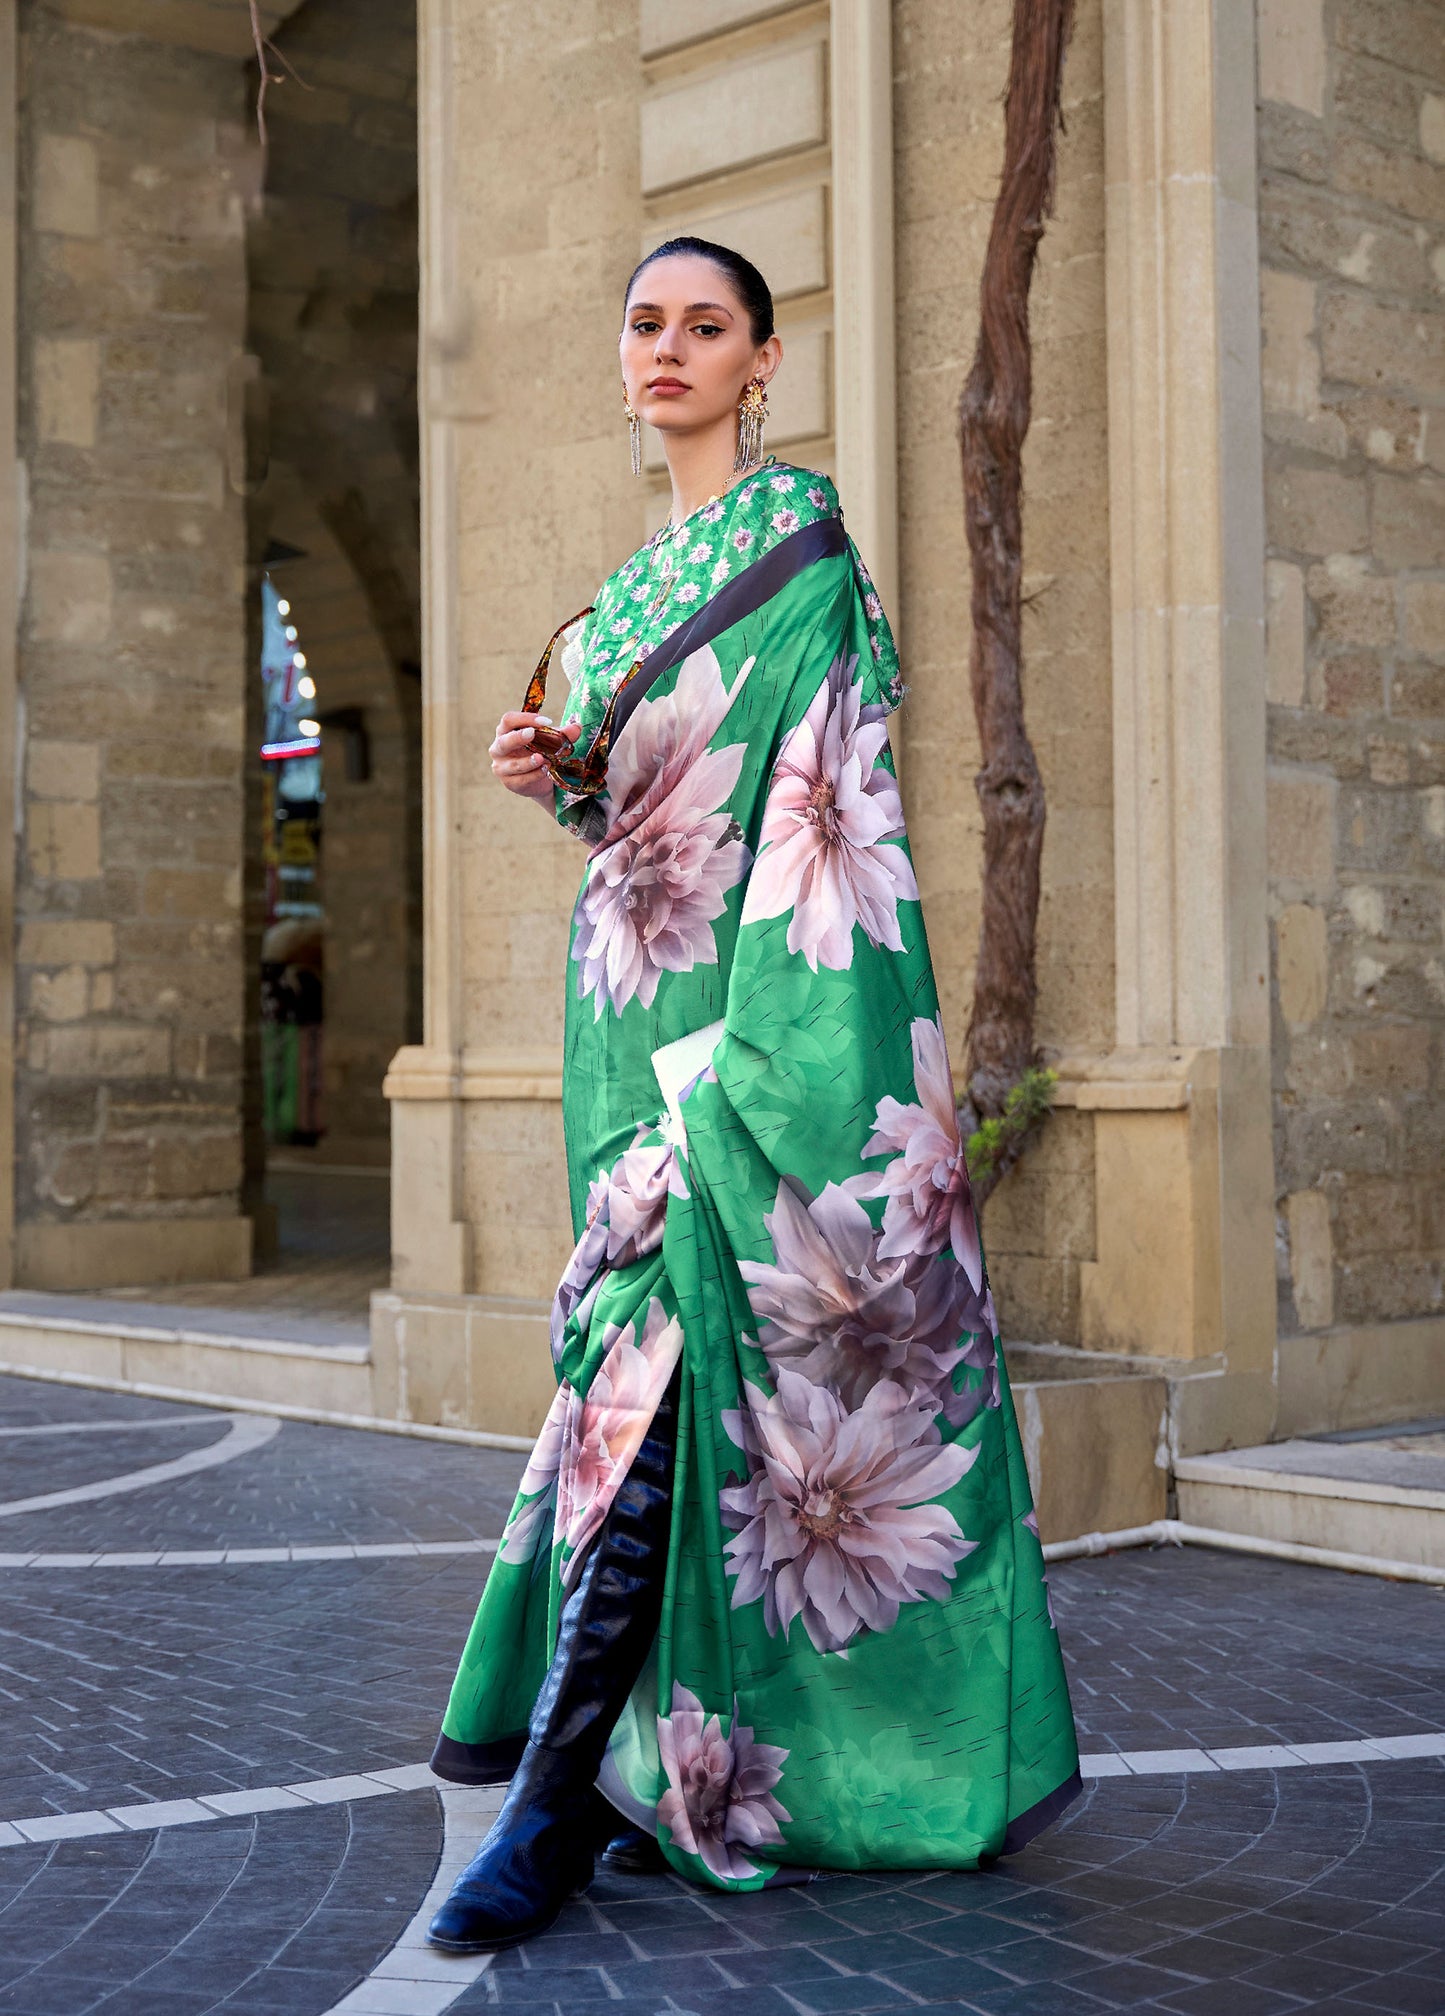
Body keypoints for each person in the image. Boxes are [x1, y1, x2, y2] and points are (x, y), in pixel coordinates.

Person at [425, 237, 1080, 1955]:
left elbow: (822, 801)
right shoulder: (618, 596)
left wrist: (759, 1062)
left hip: (747, 1021)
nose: (666, 349)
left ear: (761, 362)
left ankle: (555, 1806)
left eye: (704, 327)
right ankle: (661, 1765)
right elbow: (651, 815)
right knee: (640, 1378)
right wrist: (557, 780)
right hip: (622, 1006)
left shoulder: (796, 548)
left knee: (660, 1378)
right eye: (643, 324)